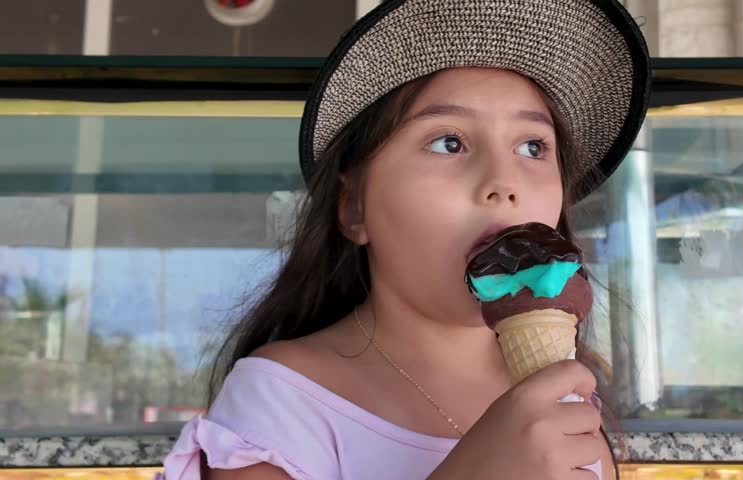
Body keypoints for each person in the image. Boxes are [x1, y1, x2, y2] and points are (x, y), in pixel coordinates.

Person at [163, 0, 650, 478]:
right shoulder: (278, 402)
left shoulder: (567, 394)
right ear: (354, 207)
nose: (505, 182)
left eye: (533, 146)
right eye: (449, 142)